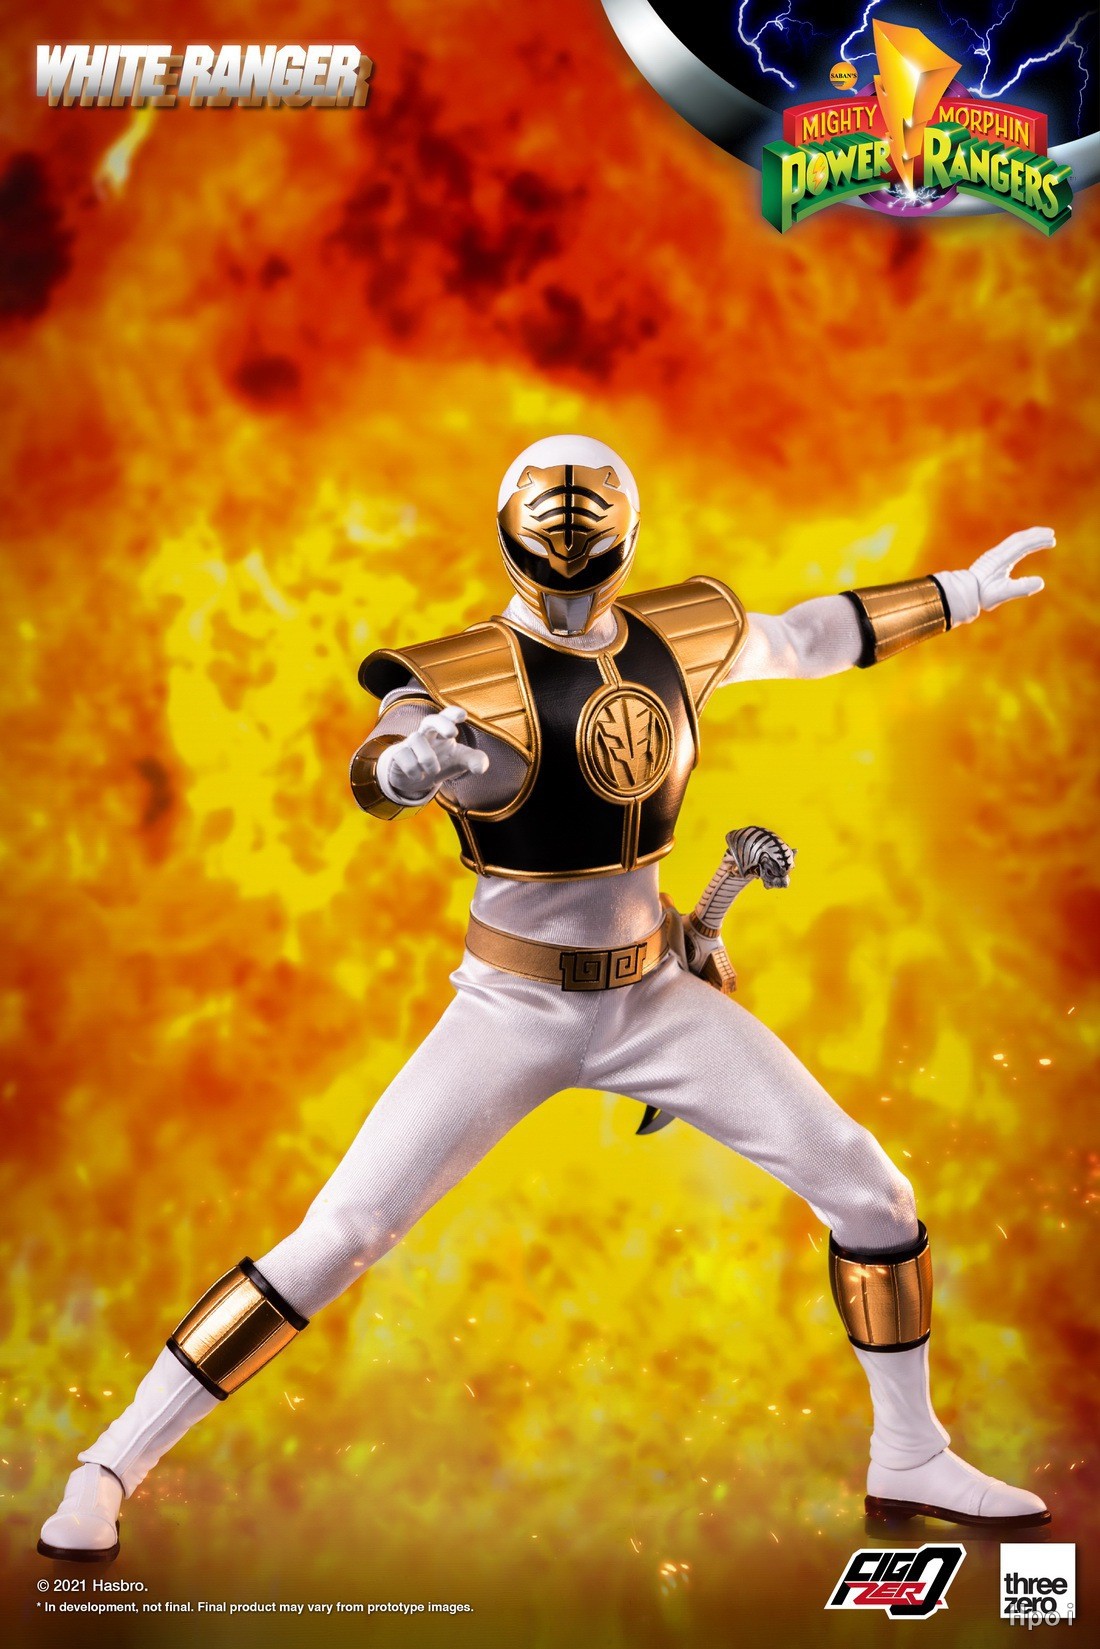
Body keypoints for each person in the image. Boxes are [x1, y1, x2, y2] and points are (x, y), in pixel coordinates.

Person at [39, 435, 1053, 1561]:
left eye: (591, 556)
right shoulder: (458, 677)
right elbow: (382, 756)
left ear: (626, 545)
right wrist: (404, 769)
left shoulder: (680, 635)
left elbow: (809, 636)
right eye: (553, 556)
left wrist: (957, 593)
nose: (571, 584)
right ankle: (109, 1463)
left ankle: (908, 1451)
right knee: (344, 1232)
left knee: (871, 1188)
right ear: (512, 544)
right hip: (510, 1007)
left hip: (653, 994)